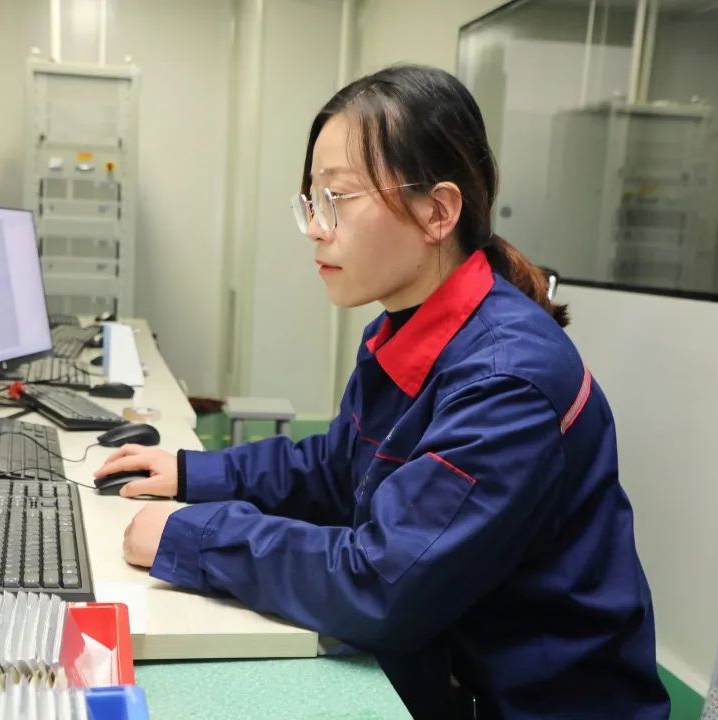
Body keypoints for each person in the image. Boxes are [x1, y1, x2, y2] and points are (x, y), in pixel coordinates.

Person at [93, 64, 671, 719]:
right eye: (312, 201)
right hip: (448, 671)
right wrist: (193, 472)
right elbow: (340, 468)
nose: (316, 228)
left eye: (337, 199)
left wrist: (195, 539)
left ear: (438, 211)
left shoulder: (507, 382)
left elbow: (383, 581)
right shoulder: (406, 329)